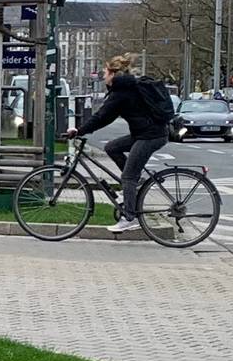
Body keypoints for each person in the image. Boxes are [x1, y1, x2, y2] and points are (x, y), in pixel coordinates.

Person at [63, 53, 173, 235]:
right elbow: (104, 116)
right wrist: (83, 129)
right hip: (144, 133)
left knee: (128, 177)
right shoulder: (125, 88)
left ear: (113, 74)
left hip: (151, 135)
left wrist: (79, 130)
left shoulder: (122, 92)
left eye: (105, 73)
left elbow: (102, 116)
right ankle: (136, 185)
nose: (103, 76)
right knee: (111, 147)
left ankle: (130, 217)